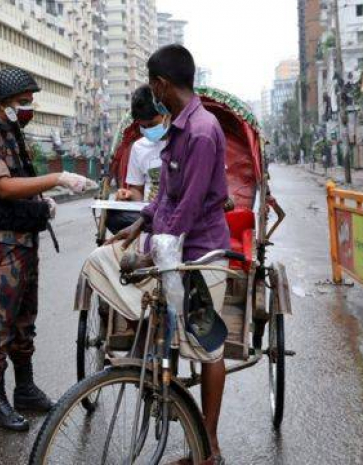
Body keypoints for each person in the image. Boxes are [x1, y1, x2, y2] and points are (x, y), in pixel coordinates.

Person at [108, 44, 232, 464]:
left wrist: (150, 255)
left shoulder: (200, 131)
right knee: (168, 333)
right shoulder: (179, 129)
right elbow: (166, 196)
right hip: (175, 252)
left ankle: (209, 446)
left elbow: (189, 206)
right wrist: (141, 222)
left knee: (207, 345)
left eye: (151, 83)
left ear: (160, 84)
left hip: (201, 254)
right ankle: (186, 424)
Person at [0, 67, 97, 432]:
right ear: (4, 103)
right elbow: (5, 188)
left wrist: (42, 203)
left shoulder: (14, 135)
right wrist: (57, 178)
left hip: (23, 243)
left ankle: (24, 389)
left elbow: (22, 186)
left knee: (25, 322)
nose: (29, 108)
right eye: (24, 102)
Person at [104, 85, 168, 234]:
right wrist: (129, 195)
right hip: (148, 214)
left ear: (165, 114)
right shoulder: (139, 147)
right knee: (113, 218)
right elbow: (136, 190)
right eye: (143, 127)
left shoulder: (187, 140)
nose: (148, 130)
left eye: (152, 125)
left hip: (175, 213)